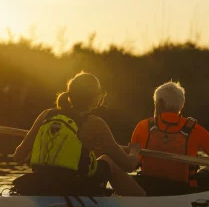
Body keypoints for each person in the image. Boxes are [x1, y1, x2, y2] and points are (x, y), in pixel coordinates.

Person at [13, 71, 146, 196]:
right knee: (107, 161)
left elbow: (18, 156)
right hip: (73, 183)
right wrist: (135, 151)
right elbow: (128, 165)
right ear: (95, 98)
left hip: (41, 180)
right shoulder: (95, 123)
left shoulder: (46, 115)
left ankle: (101, 197)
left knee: (96, 162)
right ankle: (144, 204)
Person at [130, 81, 209, 196]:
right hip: (183, 190)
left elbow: (132, 164)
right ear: (181, 105)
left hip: (148, 187)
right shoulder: (195, 129)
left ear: (159, 104)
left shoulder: (143, 126)